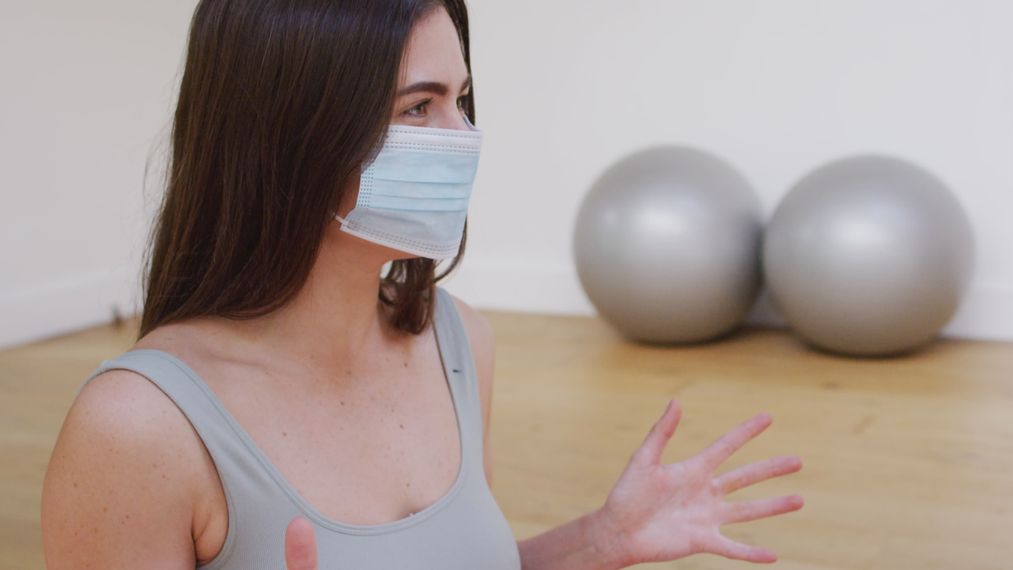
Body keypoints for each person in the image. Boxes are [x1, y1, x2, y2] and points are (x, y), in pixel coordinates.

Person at [41, 1, 804, 568]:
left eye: (461, 100)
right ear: (294, 134)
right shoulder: (139, 429)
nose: (464, 138)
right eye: (420, 107)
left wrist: (602, 538)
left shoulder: (459, 341)